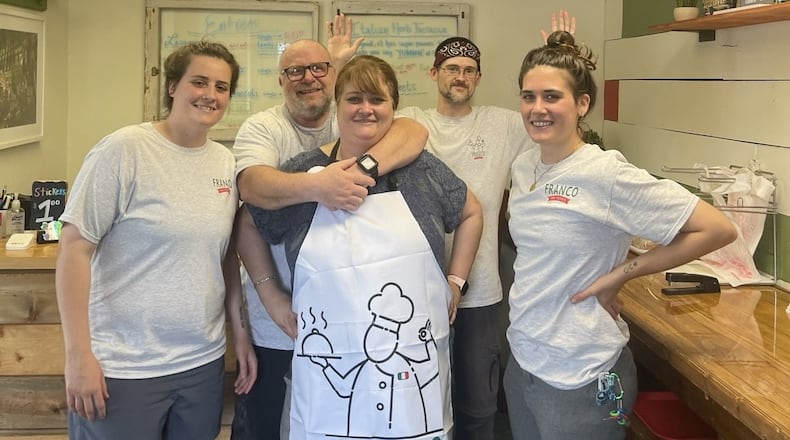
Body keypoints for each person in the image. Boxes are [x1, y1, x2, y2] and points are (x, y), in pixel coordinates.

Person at [503, 31, 737, 440]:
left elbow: (716, 228)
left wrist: (623, 273)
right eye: (528, 96)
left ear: (582, 104)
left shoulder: (605, 174)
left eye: (552, 97)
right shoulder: (525, 166)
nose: (537, 108)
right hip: (524, 362)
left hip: (584, 374)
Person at [236, 54, 483, 440]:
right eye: (354, 99)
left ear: (393, 108)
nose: (366, 109)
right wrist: (272, 296)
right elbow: (248, 222)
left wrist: (455, 280)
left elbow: (471, 212)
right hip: (330, 371)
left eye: (377, 100)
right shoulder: (306, 172)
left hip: (411, 382)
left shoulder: (423, 171)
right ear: (338, 104)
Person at [55, 41, 257, 440]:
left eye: (222, 87)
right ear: (172, 87)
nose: (210, 95)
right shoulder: (125, 149)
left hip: (201, 364)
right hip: (124, 367)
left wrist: (242, 336)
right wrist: (78, 356)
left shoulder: (225, 163)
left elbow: (224, 260)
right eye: (199, 82)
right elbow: (74, 248)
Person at [394, 11, 574, 439]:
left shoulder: (504, 124)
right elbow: (356, 113)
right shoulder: (409, 122)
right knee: (419, 403)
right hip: (415, 291)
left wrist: (560, 57)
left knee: (478, 403)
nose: (461, 76)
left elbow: (555, 116)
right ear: (435, 72)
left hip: (480, 294)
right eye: (452, 68)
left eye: (469, 71)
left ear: (477, 79)